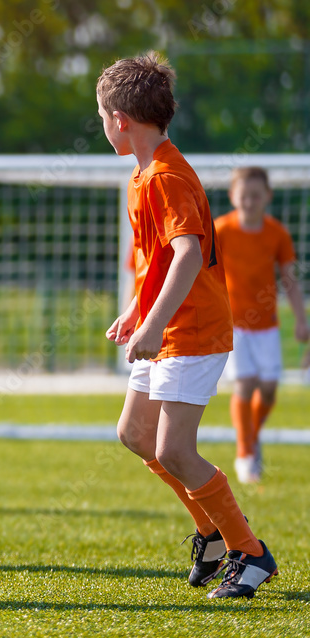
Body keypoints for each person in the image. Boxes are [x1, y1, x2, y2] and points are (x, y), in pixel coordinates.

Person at [99, 53, 277, 598]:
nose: (104, 126)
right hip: (166, 327)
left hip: (193, 330)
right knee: (136, 436)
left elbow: (187, 257)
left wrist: (152, 326)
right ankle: (211, 532)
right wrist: (136, 311)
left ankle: (250, 552)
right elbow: (155, 262)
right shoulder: (142, 173)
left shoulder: (169, 176)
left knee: (175, 450)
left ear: (121, 120)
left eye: (102, 116)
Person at [214, 167, 308, 484]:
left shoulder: (277, 233)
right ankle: (245, 453)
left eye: (256, 195)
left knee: (268, 389)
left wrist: (301, 320)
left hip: (267, 326)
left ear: (267, 196)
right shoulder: (221, 231)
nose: (250, 202)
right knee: (245, 383)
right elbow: (202, 272)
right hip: (233, 324)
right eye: (244, 196)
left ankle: (251, 435)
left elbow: (290, 279)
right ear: (232, 196)